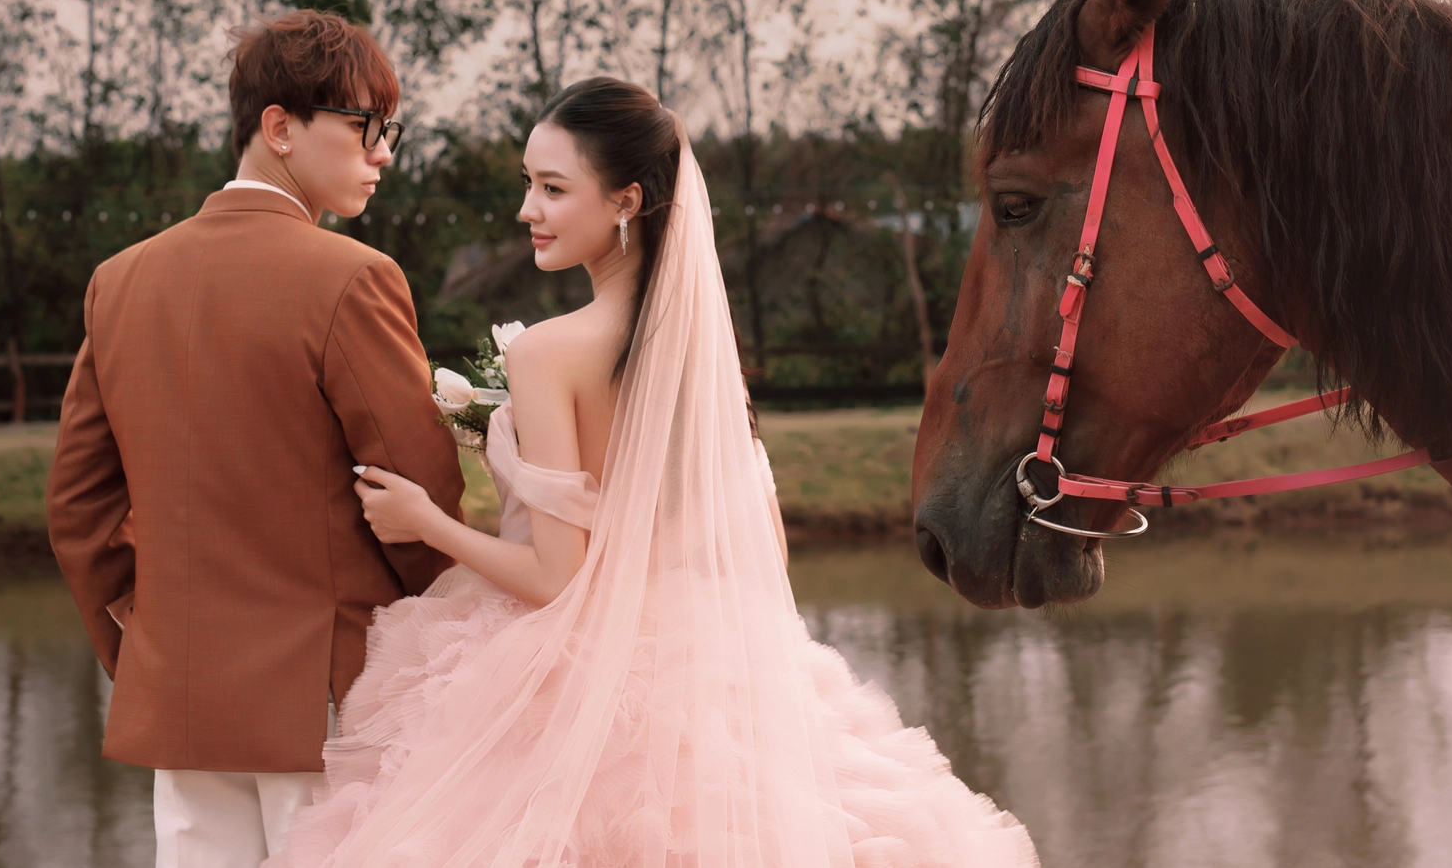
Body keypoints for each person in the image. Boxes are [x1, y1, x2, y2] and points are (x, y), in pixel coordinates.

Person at [271, 77, 1037, 868]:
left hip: (572, 684)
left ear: (626, 201)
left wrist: (428, 523)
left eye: (552, 188)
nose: (527, 209)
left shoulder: (546, 353)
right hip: (713, 676)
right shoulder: (707, 358)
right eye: (528, 184)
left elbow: (557, 578)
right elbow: (767, 552)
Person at [46, 10, 466, 868]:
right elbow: (421, 495)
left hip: (183, 702)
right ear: (279, 127)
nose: (384, 152)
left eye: (391, 129)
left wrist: (146, 651)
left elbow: (79, 510)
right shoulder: (353, 277)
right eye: (366, 126)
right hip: (332, 698)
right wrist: (442, 646)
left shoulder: (120, 280)